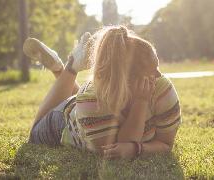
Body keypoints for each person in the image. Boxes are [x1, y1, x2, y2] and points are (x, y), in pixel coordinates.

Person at [23, 26, 181, 159]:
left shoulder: (162, 88)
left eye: (157, 67)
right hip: (66, 119)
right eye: (151, 73)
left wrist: (135, 149)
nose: (159, 76)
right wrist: (141, 102)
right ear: (126, 80)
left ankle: (62, 70)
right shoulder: (91, 101)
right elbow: (115, 151)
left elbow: (165, 144)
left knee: (98, 104)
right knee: (34, 135)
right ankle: (69, 67)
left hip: (95, 108)